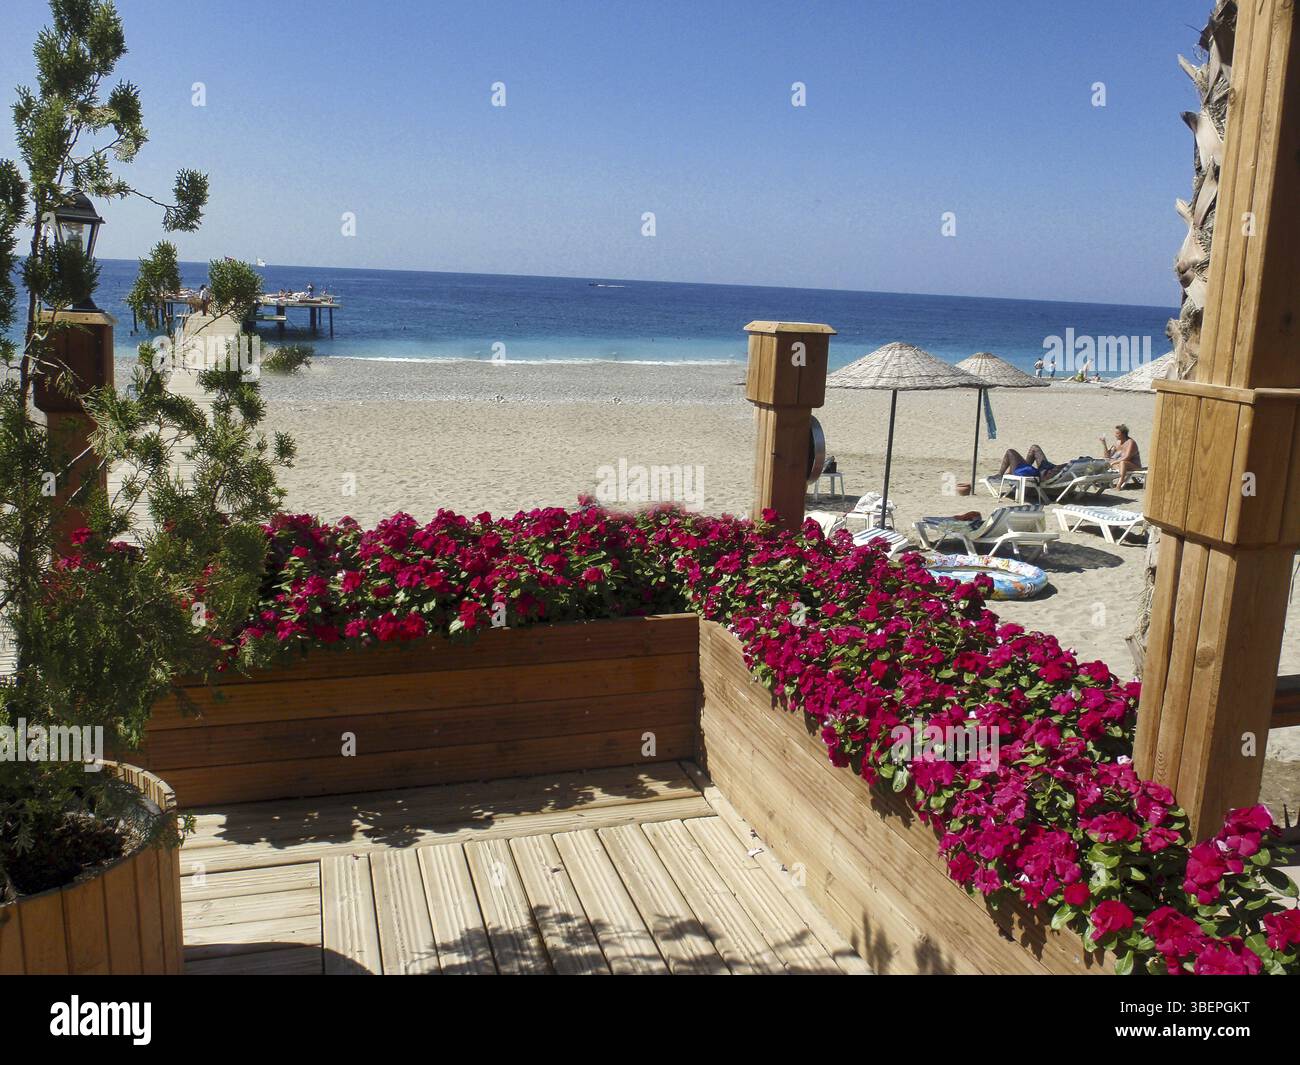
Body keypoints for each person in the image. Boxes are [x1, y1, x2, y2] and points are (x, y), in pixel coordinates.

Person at [995, 444, 1067, 481]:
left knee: (1010, 452)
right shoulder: (1071, 469)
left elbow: (1049, 476)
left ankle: (1000, 474)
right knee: (1034, 448)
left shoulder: (1069, 467)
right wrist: (1058, 467)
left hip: (1044, 475)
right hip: (1046, 470)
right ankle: (1025, 470)